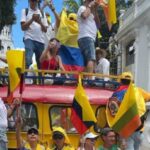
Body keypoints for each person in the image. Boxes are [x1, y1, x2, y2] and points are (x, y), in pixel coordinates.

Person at [108, 72, 150, 150]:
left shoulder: (116, 94)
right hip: (139, 128)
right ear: (132, 81)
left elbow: (113, 111)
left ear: (120, 81)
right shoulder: (139, 91)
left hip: (127, 129)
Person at [21, 0, 48, 70]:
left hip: (41, 41)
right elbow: (23, 27)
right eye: (32, 1)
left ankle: (41, 80)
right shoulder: (25, 11)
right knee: (28, 60)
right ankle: (26, 78)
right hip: (29, 39)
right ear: (29, 1)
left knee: (41, 64)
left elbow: (45, 30)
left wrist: (39, 22)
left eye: (35, 1)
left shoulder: (42, 13)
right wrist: (32, 19)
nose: (34, 2)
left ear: (37, 2)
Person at [77, 0, 98, 73]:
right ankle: (90, 80)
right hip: (86, 36)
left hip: (88, 37)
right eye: (90, 0)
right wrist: (90, 6)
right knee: (91, 59)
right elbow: (84, 16)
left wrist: (95, 9)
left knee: (87, 61)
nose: (91, 1)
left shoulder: (91, 13)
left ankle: (86, 80)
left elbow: (98, 24)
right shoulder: (82, 8)